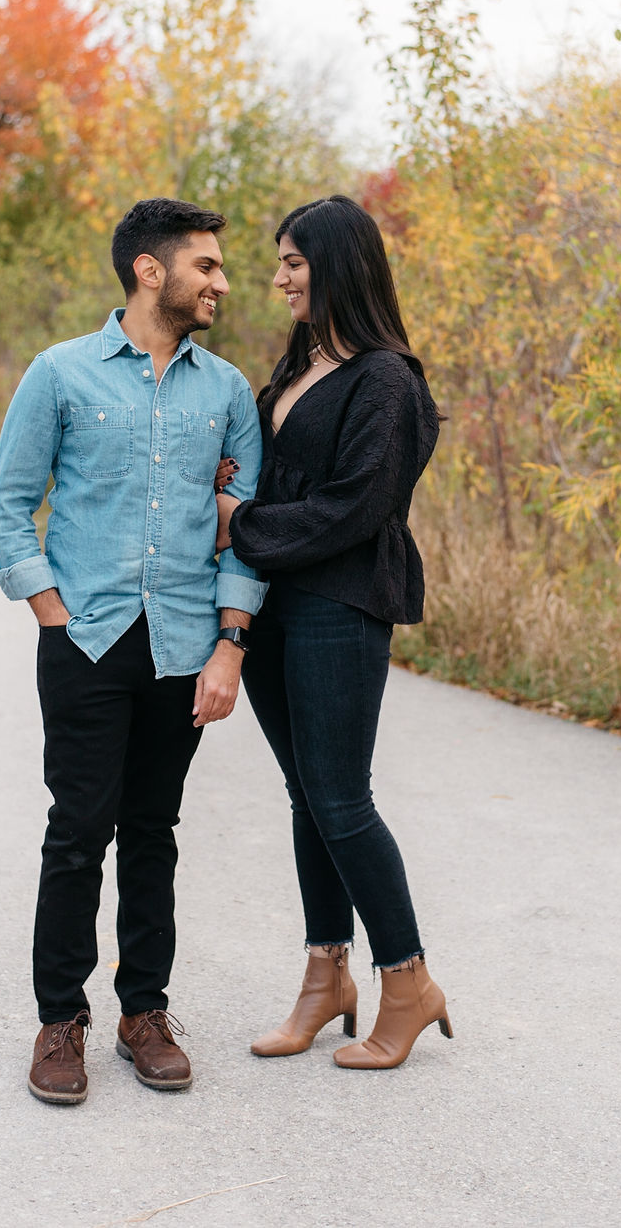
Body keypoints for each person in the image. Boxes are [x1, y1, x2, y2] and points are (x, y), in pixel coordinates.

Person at [0, 197, 265, 1102]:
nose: (222, 282)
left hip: (183, 648)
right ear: (152, 271)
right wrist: (52, 616)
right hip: (88, 642)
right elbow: (10, 505)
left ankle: (143, 1012)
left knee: (154, 833)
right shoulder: (61, 375)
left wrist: (229, 648)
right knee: (77, 834)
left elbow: (241, 535)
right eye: (207, 267)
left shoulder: (225, 391)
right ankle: (59, 1020)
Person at [214, 194, 450, 1070]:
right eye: (278, 262)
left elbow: (359, 508)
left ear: (338, 266)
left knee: (343, 801)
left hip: (340, 605)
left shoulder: (389, 380)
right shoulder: (301, 364)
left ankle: (409, 980)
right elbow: (280, 480)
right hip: (278, 603)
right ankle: (326, 980)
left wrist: (240, 524)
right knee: (307, 798)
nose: (276, 279)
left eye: (292, 263)